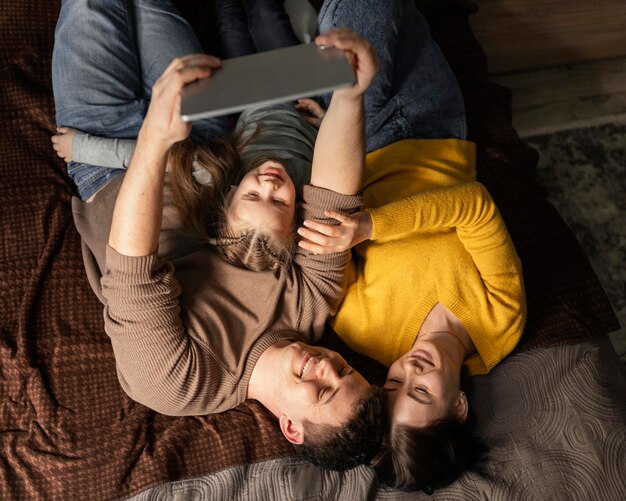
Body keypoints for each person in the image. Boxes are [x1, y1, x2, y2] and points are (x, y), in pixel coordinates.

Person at [51, 0, 387, 472]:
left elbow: (133, 271)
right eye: (346, 370)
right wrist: (351, 95)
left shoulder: (183, 385)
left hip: (110, 164)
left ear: (291, 427)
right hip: (204, 142)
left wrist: (153, 140)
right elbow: (333, 200)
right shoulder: (311, 305)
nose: (328, 365)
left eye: (325, 389)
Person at [292, 0, 527, 492]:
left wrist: (335, 126)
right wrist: (369, 227)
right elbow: (474, 207)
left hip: (362, 143)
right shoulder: (501, 321)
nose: (408, 369)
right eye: (420, 391)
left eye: (394, 384)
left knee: (361, 22)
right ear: (458, 406)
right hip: (433, 124)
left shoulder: (363, 335)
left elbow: (320, 239)